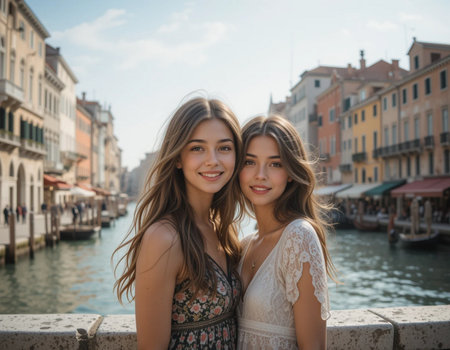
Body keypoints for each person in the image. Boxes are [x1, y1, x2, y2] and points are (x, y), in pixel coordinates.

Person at [113, 97, 243, 349]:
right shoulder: (163, 238)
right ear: (177, 158)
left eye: (224, 148)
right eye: (197, 148)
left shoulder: (223, 228)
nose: (213, 160)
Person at [237, 115, 336, 349]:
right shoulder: (244, 245)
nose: (260, 174)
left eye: (275, 163)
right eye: (250, 162)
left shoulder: (298, 237)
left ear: (291, 172)